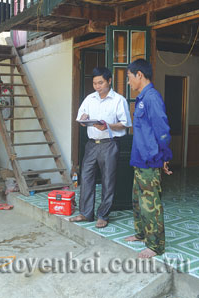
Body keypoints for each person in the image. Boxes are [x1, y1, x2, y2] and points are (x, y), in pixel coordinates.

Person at [70, 67, 132, 228]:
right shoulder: (90, 99)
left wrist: (108, 126)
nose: (97, 86)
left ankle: (103, 215)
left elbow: (125, 124)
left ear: (109, 81)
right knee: (86, 177)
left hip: (109, 144)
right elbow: (81, 118)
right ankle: (85, 213)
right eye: (95, 83)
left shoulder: (119, 100)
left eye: (100, 82)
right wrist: (83, 119)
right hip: (91, 144)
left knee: (108, 180)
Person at [124, 59, 173, 258]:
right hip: (139, 158)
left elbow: (162, 131)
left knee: (150, 203)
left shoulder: (152, 98)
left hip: (150, 160)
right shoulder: (142, 98)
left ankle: (155, 245)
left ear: (139, 75)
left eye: (129, 78)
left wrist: (165, 157)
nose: (128, 83)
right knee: (137, 200)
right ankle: (141, 234)